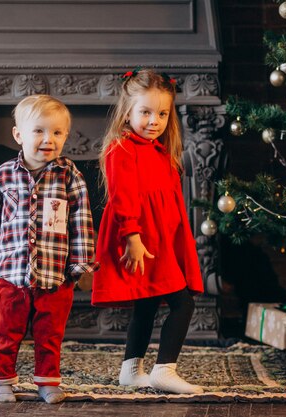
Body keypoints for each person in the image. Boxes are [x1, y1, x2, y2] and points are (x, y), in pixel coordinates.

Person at [0, 94, 98, 404]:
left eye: (57, 133)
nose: (48, 139)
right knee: (4, 331)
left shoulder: (70, 177)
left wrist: (81, 265)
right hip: (9, 272)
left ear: (66, 136)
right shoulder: (4, 174)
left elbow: (81, 221)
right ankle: (2, 379)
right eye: (39, 131)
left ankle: (47, 381)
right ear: (19, 135)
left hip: (55, 275)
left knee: (50, 334)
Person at [91, 69, 204, 394]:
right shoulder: (121, 149)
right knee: (183, 304)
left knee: (148, 304)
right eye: (145, 112)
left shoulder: (161, 151)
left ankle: (130, 369)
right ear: (127, 112)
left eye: (162, 113)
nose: (154, 120)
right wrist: (133, 238)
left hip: (162, 241)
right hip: (141, 239)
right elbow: (123, 198)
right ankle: (164, 370)